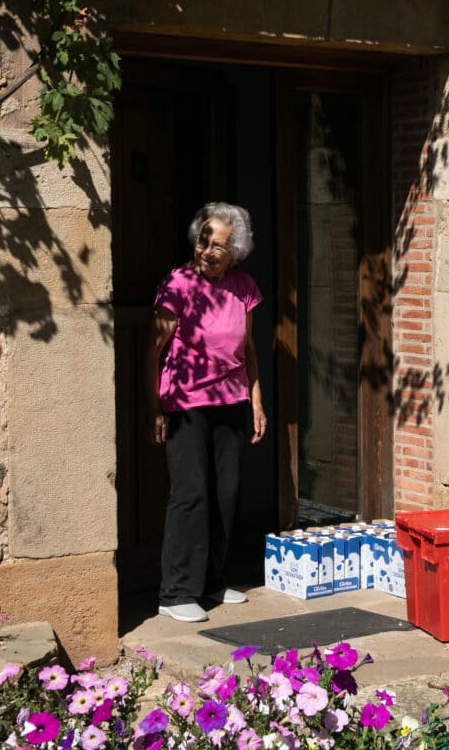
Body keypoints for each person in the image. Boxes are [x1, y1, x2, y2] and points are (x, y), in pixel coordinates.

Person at [146, 202, 267, 623]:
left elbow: (247, 350)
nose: (209, 251)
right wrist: (155, 408)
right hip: (184, 403)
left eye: (219, 245)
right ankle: (176, 592)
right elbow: (154, 350)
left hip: (231, 402)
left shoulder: (244, 287)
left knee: (226, 493)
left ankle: (213, 582)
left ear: (236, 251)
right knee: (190, 492)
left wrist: (256, 402)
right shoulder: (176, 285)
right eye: (204, 241)